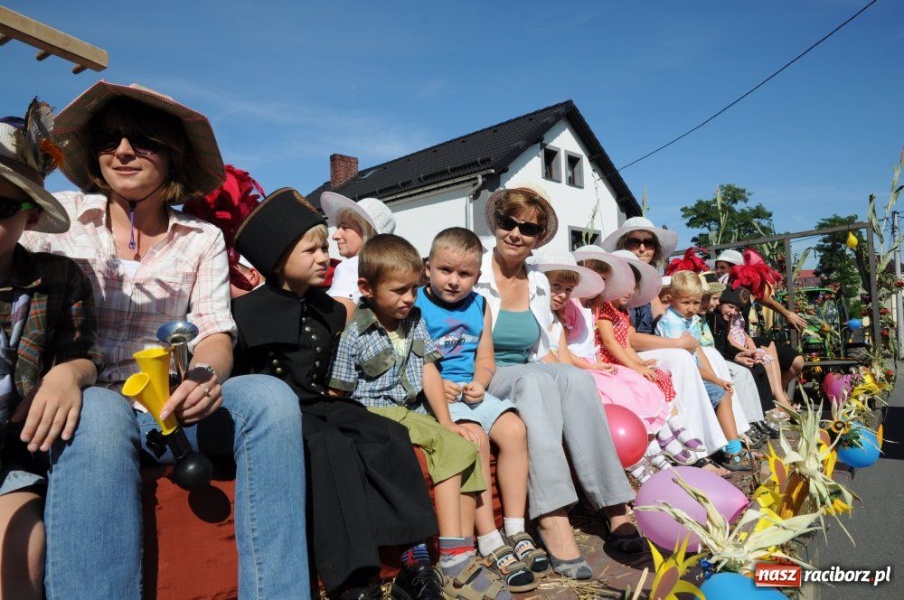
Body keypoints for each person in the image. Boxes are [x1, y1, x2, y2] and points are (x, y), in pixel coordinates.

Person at [22, 81, 310, 599]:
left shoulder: (202, 239)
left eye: (143, 140)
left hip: (170, 406)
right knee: (101, 410)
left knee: (271, 397)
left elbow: (216, 330)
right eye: (110, 139)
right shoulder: (56, 219)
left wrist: (206, 375)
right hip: (84, 402)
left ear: (173, 156)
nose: (124, 151)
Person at [232, 189, 440, 600]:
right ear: (276, 260)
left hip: (319, 401)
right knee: (328, 446)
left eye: (325, 247)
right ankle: (352, 581)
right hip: (276, 412)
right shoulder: (245, 313)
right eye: (311, 250)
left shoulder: (327, 308)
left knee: (386, 434)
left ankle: (413, 561)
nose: (324, 256)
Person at [474, 183, 643, 581]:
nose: (515, 233)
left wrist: (576, 374)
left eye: (527, 228)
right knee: (534, 384)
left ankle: (614, 506)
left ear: (537, 238)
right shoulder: (473, 270)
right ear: (496, 224)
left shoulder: (537, 282)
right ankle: (552, 517)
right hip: (482, 373)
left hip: (526, 368)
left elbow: (545, 350)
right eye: (507, 222)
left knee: (574, 381)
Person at [328, 234, 508, 600]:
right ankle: (453, 556)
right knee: (448, 445)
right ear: (366, 288)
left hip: (410, 409)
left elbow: (428, 370)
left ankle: (465, 551)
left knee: (462, 443)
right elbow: (338, 392)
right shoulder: (354, 334)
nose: (408, 299)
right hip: (376, 414)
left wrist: (447, 422)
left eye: (414, 289)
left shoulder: (413, 320)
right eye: (398, 291)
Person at [0, 100, 103, 600]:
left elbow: (85, 349)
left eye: (2, 207)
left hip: (10, 457)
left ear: (31, 215)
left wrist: (66, 375)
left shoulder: (57, 278)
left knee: (22, 549)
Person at [417, 227, 544, 592]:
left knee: (515, 430)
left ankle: (516, 528)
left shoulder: (480, 305)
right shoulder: (417, 305)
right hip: (435, 395)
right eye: (446, 271)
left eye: (465, 274)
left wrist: (482, 381)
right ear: (428, 268)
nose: (454, 281)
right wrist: (439, 385)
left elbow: (485, 357)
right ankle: (488, 538)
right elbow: (412, 360)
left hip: (471, 392)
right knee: (477, 441)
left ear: (477, 275)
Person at [601, 220, 737, 476]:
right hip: (629, 352)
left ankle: (730, 438)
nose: (641, 248)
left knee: (709, 354)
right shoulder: (619, 287)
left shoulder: (645, 283)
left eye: (647, 242)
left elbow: (658, 321)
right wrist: (677, 343)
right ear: (623, 245)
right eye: (634, 242)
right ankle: (698, 450)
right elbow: (627, 336)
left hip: (641, 350)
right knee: (680, 357)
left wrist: (685, 341)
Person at [534, 248, 679, 483]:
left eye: (567, 289)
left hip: (588, 364)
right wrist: (593, 367)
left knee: (635, 382)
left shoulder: (591, 307)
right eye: (557, 287)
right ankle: (634, 456)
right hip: (577, 369)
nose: (562, 294)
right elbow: (568, 355)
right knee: (614, 393)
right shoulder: (566, 310)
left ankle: (651, 441)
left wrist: (610, 364)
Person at [655, 272, 752, 471]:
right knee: (718, 396)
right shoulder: (671, 323)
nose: (691, 308)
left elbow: (699, 353)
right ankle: (728, 449)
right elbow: (687, 363)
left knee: (722, 394)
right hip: (681, 378)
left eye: (695, 303)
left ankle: (732, 447)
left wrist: (716, 379)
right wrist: (711, 379)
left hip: (695, 374)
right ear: (671, 298)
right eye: (686, 302)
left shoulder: (687, 320)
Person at [714, 249, 805, 390]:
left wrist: (787, 314)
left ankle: (779, 393)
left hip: (745, 339)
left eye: (723, 267)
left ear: (735, 268)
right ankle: (778, 397)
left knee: (797, 362)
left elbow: (766, 300)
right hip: (730, 344)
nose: (718, 271)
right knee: (764, 354)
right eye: (717, 267)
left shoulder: (747, 290)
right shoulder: (718, 291)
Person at [322, 192, 396, 320]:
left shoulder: (350, 267)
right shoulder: (388, 267)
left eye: (345, 227)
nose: (335, 236)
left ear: (367, 231)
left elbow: (337, 321)